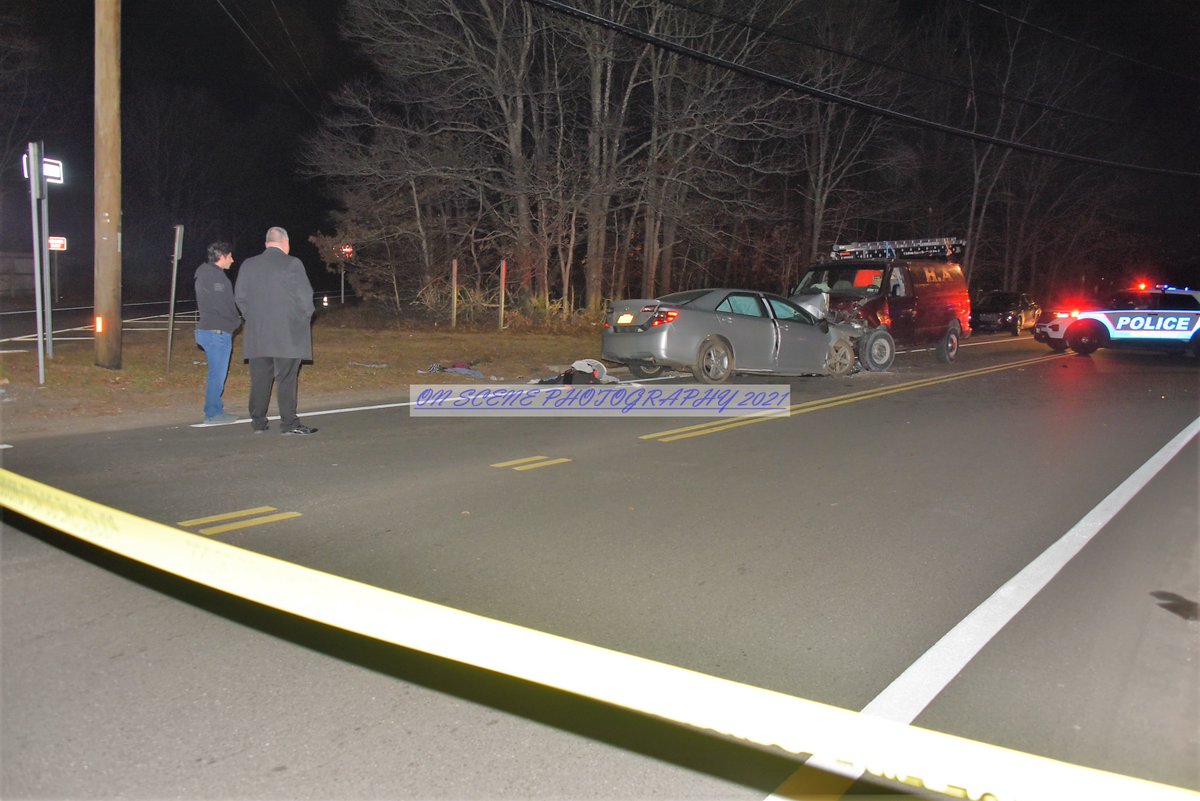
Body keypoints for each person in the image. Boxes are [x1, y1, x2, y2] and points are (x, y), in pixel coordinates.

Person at [234, 226, 318, 435]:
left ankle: (258, 422)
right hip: (287, 334)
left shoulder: (248, 264)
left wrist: (252, 317)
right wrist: (302, 319)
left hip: (258, 333)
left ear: (266, 243)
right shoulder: (292, 263)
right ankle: (289, 423)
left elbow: (240, 298)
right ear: (285, 243)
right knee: (286, 379)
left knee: (260, 379)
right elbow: (305, 299)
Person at [194, 241, 241, 424]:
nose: (232, 260)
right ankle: (213, 413)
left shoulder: (208, 274)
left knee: (216, 373)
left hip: (211, 330)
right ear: (222, 257)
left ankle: (216, 409)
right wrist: (235, 320)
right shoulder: (215, 277)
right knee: (217, 374)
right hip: (217, 332)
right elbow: (222, 305)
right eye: (230, 256)